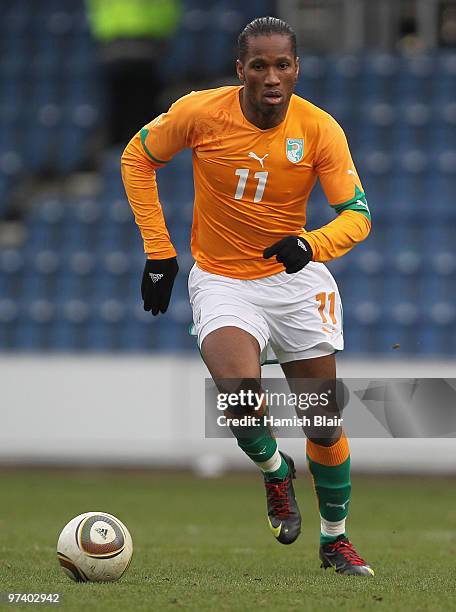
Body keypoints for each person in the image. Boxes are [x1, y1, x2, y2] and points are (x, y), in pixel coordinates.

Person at [121, 17, 373, 576]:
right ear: (241, 70)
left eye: (282, 64)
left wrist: (311, 244)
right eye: (259, 65)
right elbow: (136, 158)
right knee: (238, 394)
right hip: (223, 280)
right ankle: (274, 469)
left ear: (296, 69)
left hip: (294, 281)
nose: (272, 77)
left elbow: (357, 216)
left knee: (323, 423)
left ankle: (336, 540)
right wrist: (160, 251)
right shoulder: (200, 112)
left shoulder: (320, 129)